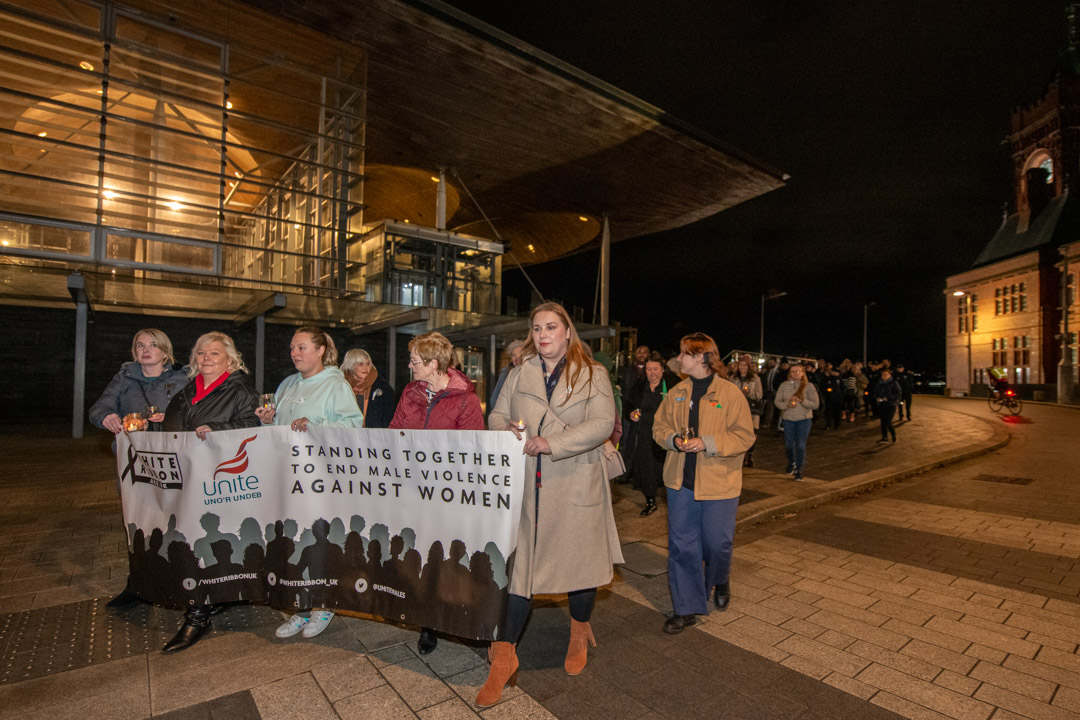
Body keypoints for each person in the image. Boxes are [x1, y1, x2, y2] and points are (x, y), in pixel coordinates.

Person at [481, 302, 622, 706]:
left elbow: (601, 424)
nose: (543, 335)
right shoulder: (518, 372)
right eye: (537, 328)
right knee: (521, 572)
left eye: (551, 328)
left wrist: (552, 443)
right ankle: (505, 657)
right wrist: (505, 429)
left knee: (580, 566)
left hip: (575, 480)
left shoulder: (593, 373)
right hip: (528, 487)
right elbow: (495, 415)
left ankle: (579, 630)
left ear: (567, 332)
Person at [259, 327, 363, 640]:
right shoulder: (287, 384)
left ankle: (324, 603)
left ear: (320, 351)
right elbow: (278, 427)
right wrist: (267, 420)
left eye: (302, 347)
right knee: (291, 541)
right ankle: (300, 607)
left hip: (320, 478)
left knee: (318, 540)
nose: (295, 353)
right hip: (287, 477)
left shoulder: (335, 385)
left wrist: (316, 425)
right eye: (292, 348)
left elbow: (353, 426)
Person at [159, 331, 260, 653]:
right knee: (198, 538)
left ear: (230, 359)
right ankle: (222, 595)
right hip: (190, 477)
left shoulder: (240, 389)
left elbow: (253, 428)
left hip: (220, 480)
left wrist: (217, 431)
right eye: (201, 353)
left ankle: (197, 614)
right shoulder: (189, 390)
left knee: (202, 539)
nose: (205, 358)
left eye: (214, 353)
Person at [652, 332, 754, 635]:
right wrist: (672, 439)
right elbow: (660, 427)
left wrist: (706, 442)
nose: (679, 358)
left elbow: (745, 436)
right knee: (682, 547)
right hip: (680, 482)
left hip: (719, 484)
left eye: (684, 353)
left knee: (717, 545)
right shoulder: (677, 392)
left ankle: (720, 577)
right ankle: (686, 608)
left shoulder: (729, 393)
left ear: (701, 357)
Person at [390, 331, 485, 655]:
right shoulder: (411, 392)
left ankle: (456, 614)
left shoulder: (465, 400)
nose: (410, 366)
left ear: (433, 364)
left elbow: (474, 451)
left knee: (448, 558)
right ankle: (427, 623)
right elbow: (394, 432)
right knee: (420, 555)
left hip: (449, 496)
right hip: (414, 493)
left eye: (415, 361)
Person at [90, 328, 190, 609]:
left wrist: (166, 419)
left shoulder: (182, 378)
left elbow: (192, 414)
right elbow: (100, 407)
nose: (146, 350)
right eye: (140, 345)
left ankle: (179, 578)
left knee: (175, 523)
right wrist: (106, 417)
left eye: (153, 345)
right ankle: (138, 584)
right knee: (138, 525)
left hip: (171, 462)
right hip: (134, 464)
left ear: (165, 351)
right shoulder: (123, 378)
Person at [625, 352, 675, 516]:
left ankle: (673, 500)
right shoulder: (639, 386)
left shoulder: (673, 385)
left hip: (667, 433)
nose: (652, 373)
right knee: (647, 467)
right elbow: (628, 406)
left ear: (662, 369)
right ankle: (651, 500)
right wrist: (631, 414)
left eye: (655, 369)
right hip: (646, 433)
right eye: (648, 369)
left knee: (668, 467)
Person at [774, 363, 819, 481]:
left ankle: (799, 470)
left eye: (798, 371)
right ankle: (792, 462)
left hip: (804, 419)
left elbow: (815, 404)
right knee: (789, 444)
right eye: (793, 371)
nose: (795, 373)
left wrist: (802, 400)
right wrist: (786, 405)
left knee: (800, 445)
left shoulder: (809, 386)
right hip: (789, 419)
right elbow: (777, 402)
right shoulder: (784, 385)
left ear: (803, 373)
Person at [341, 348, 396, 428]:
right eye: (360, 364)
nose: (365, 367)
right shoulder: (340, 386)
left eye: (368, 364)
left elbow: (389, 420)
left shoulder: (383, 389)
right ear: (350, 365)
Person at [728, 358, 763, 466]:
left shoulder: (755, 379)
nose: (742, 367)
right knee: (739, 431)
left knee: (752, 432)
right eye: (740, 365)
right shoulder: (733, 378)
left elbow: (759, 394)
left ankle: (750, 454)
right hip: (738, 408)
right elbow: (729, 392)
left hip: (751, 408)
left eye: (745, 365)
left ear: (748, 367)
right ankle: (741, 454)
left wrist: (749, 393)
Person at [488, 339, 524, 417]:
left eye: (520, 355)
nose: (517, 358)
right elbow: (494, 399)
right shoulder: (506, 373)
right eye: (513, 355)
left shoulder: (532, 373)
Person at [873, 368, 901, 443]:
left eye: (886, 374)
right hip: (881, 404)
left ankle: (894, 436)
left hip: (891, 405)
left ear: (889, 375)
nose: (884, 376)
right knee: (882, 422)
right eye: (883, 375)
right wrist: (877, 398)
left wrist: (888, 398)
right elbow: (875, 393)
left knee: (888, 421)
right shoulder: (879, 383)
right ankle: (884, 437)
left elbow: (897, 394)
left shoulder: (894, 383)